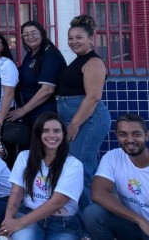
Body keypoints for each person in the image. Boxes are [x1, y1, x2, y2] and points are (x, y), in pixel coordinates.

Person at [0, 112, 84, 239]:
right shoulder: (24, 157)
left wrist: (18, 223)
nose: (52, 135)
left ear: (63, 134)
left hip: (61, 223)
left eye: (56, 131)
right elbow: (16, 193)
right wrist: (7, 224)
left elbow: (57, 202)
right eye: (46, 131)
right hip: (29, 215)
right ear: (38, 134)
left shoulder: (74, 165)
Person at [56, 14, 111, 209]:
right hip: (77, 118)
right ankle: (96, 214)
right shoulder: (79, 60)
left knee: (80, 169)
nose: (73, 42)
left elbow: (93, 97)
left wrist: (74, 124)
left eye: (79, 37)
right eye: (70, 38)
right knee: (85, 167)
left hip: (88, 120)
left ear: (90, 39)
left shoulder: (94, 62)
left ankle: (88, 223)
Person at [84, 113, 149, 240]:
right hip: (133, 227)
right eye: (123, 134)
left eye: (136, 134)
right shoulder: (113, 157)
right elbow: (98, 194)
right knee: (93, 213)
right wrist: (141, 221)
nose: (130, 140)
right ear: (117, 136)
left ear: (147, 136)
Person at [6, 21, 67, 139]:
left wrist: (23, 110)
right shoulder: (31, 54)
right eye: (26, 35)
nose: (30, 37)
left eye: (33, 33)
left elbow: (47, 89)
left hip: (45, 113)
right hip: (32, 113)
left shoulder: (50, 55)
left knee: (43, 148)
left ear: (42, 33)